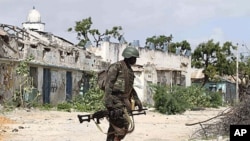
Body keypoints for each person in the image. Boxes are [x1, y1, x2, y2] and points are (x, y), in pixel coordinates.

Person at [104, 47, 143, 141]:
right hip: (115, 99)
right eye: (134, 58)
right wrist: (108, 101)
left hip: (124, 100)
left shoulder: (129, 70)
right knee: (124, 122)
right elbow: (109, 84)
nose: (135, 60)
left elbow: (130, 88)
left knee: (116, 126)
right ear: (128, 57)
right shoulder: (116, 66)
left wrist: (137, 100)